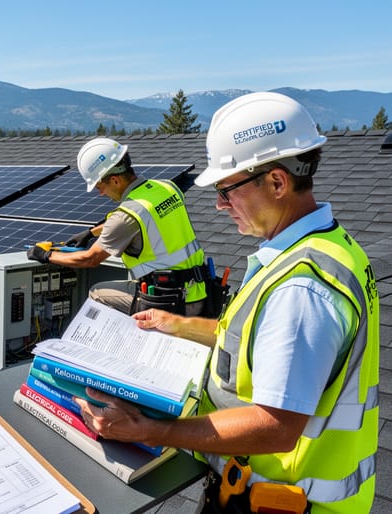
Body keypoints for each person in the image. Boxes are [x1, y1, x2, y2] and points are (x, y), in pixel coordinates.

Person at [74, 92, 378, 513]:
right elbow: (257, 345)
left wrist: (152, 430)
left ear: (276, 181)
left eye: (226, 189)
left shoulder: (301, 289)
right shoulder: (324, 248)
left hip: (280, 500)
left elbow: (275, 427)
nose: (219, 205)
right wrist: (175, 324)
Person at [26, 137, 209, 316]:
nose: (100, 193)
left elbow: (90, 259)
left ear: (114, 180)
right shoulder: (167, 187)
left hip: (167, 301)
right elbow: (148, 216)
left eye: (99, 186)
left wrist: (46, 255)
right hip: (201, 292)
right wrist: (90, 233)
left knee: (97, 294)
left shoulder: (125, 216)